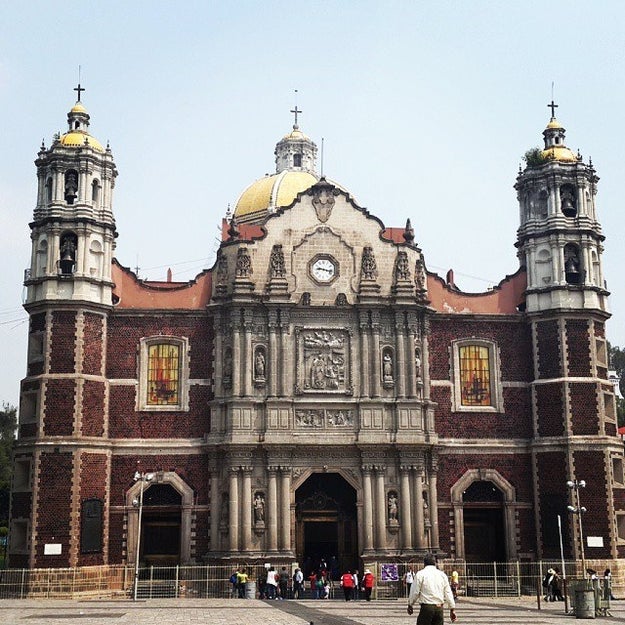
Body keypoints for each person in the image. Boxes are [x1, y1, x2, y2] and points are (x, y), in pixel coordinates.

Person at [407, 553, 456, 625]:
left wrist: (410, 604)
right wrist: (452, 609)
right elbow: (448, 593)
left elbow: (415, 591)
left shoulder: (420, 574)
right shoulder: (442, 575)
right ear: (435, 563)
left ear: (424, 563)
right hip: (439, 608)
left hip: (427, 607)